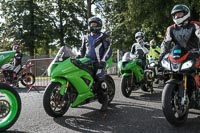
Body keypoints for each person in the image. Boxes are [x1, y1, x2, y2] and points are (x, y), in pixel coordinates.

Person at [80, 16, 112, 111]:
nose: (92, 26)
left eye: (94, 24)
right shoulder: (85, 36)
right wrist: (79, 58)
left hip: (99, 62)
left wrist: (102, 61)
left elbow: (108, 50)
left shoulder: (103, 36)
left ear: (99, 26)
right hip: (87, 61)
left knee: (99, 78)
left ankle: (105, 100)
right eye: (91, 24)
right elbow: (82, 50)